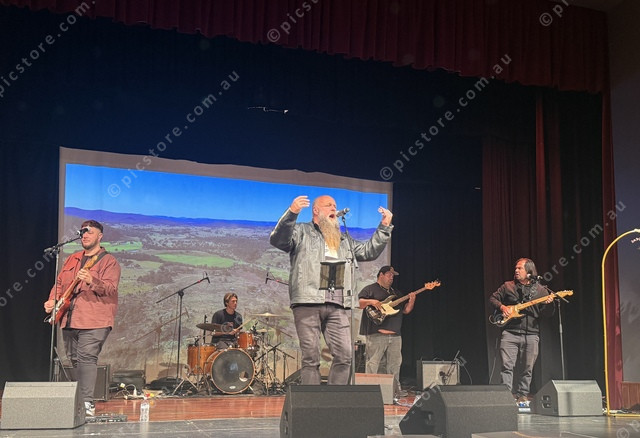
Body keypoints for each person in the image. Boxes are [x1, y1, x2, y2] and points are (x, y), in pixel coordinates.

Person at [269, 194, 393, 385]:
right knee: (311, 358)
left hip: (338, 304)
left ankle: (334, 399)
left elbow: (369, 251)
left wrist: (384, 226)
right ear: (316, 210)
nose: (334, 208)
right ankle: (312, 401)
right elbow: (279, 240)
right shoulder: (302, 231)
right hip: (308, 301)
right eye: (328, 205)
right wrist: (292, 212)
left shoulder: (343, 240)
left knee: (345, 355)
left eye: (335, 205)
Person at [44, 220, 120, 417]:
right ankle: (79, 401)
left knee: (87, 357)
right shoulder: (73, 259)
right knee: (75, 360)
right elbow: (59, 283)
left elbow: (110, 289)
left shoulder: (108, 261)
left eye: (89, 232)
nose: (84, 235)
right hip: (70, 318)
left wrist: (92, 280)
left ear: (100, 236)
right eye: (82, 232)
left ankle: (87, 403)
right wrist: (53, 300)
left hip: (95, 320)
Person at [488, 257, 555, 403]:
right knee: (507, 366)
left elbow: (547, 314)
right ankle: (506, 396)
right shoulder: (508, 286)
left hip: (531, 334)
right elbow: (493, 298)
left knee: (527, 367)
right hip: (509, 333)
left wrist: (549, 304)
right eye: (516, 268)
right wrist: (503, 307)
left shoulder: (540, 290)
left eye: (520, 268)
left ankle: (523, 395)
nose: (516, 270)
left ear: (529, 271)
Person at [358, 266, 415, 391]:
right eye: (389, 274)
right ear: (381, 275)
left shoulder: (396, 293)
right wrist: (372, 302)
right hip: (376, 333)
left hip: (395, 335)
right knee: (373, 363)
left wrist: (411, 301)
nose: (392, 277)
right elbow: (359, 303)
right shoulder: (370, 289)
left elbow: (405, 311)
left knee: (395, 364)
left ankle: (394, 391)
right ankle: (370, 391)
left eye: (393, 275)